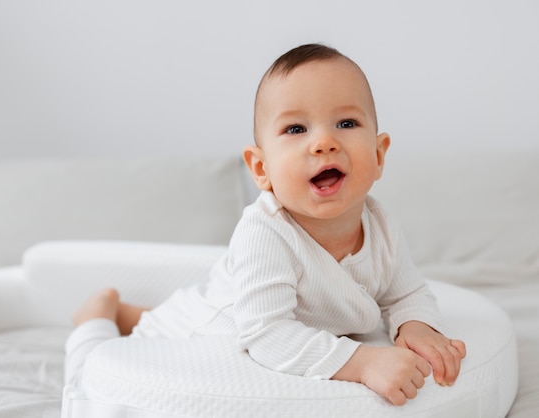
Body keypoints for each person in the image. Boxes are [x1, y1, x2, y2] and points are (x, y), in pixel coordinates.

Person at [66, 43, 466, 406]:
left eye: (346, 123)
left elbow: (406, 292)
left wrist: (417, 326)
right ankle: (98, 316)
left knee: (170, 313)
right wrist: (363, 363)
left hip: (234, 305)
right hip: (211, 330)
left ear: (379, 155)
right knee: (101, 367)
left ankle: (129, 312)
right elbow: (268, 334)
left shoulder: (379, 224)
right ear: (262, 168)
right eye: (296, 129)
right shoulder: (266, 232)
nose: (324, 142)